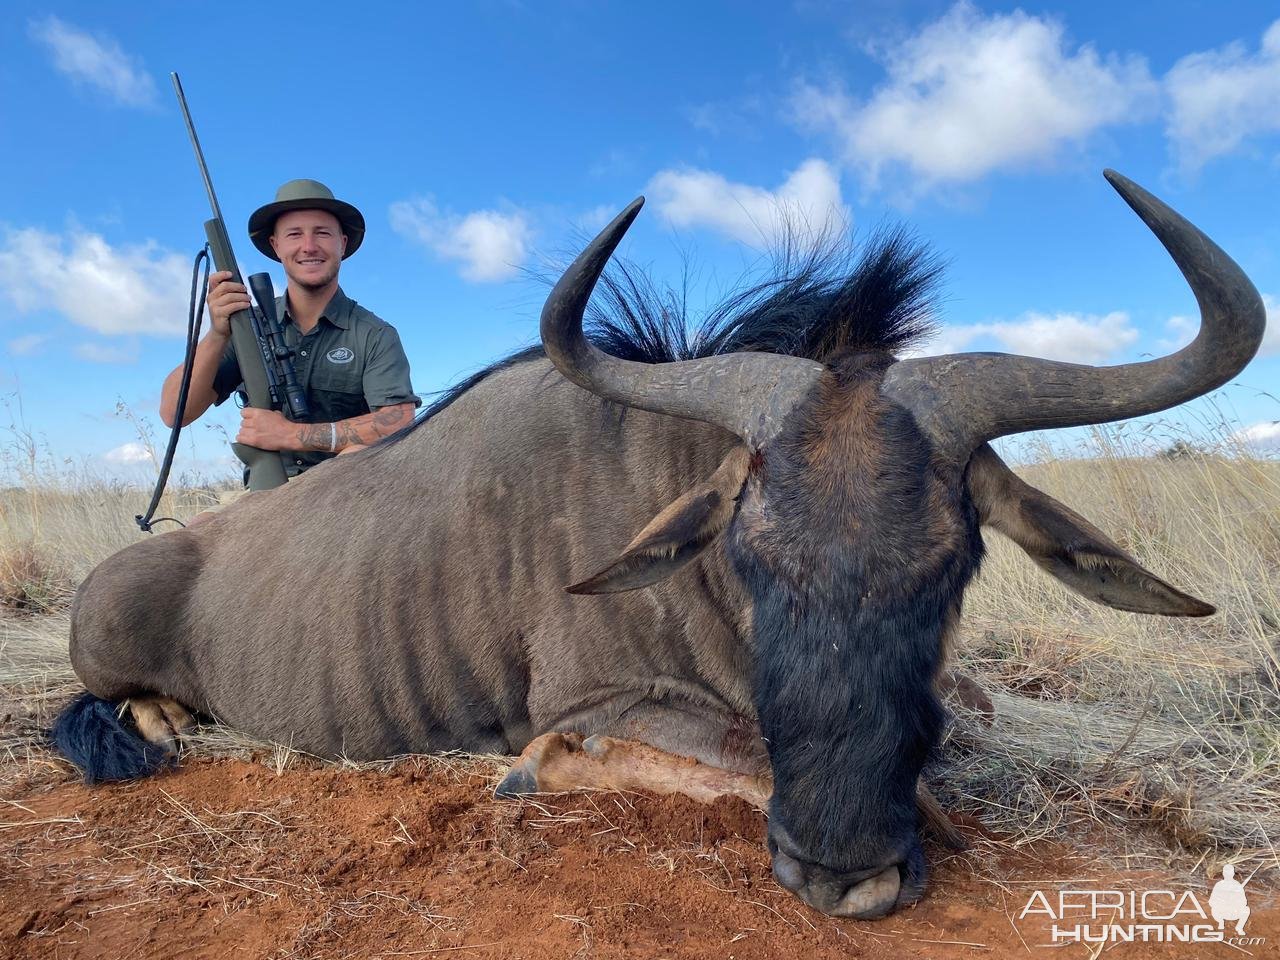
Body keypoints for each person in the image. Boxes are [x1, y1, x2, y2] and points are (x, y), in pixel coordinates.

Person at [159, 179, 420, 477]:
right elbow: (173, 412)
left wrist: (289, 435)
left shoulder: (375, 335)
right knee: (200, 522)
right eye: (294, 234)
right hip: (265, 499)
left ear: (342, 243)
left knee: (356, 457)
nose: (309, 247)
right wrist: (217, 334)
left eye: (322, 233)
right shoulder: (246, 327)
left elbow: (398, 420)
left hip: (346, 499)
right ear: (276, 245)